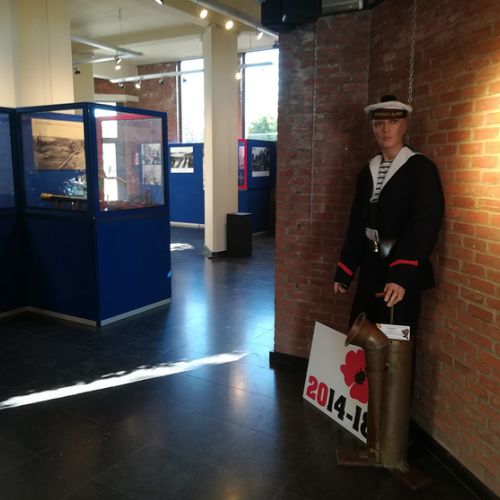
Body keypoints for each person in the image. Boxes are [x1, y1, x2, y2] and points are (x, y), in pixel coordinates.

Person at [333, 95, 444, 335]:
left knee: (394, 340)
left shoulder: (421, 169)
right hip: (371, 265)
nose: (385, 130)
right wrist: (346, 269)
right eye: (379, 124)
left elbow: (424, 224)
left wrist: (401, 275)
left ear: (405, 125)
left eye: (393, 122)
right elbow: (357, 223)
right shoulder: (367, 172)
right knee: (362, 333)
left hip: (400, 265)